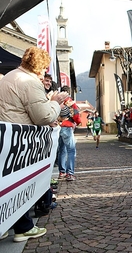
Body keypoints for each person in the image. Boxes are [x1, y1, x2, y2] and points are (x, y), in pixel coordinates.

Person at [0, 46, 68, 242]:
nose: (44, 72)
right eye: (44, 67)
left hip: (8, 135)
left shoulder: (9, 76)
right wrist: (55, 102)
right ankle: (23, 227)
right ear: (39, 66)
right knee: (20, 183)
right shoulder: (29, 82)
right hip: (21, 140)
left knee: (7, 182)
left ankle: (5, 225)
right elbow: (42, 115)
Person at [57, 85, 81, 181]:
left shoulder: (55, 100)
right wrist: (77, 123)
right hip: (67, 127)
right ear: (68, 93)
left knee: (61, 150)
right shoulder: (70, 101)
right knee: (71, 150)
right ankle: (69, 173)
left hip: (58, 127)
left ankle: (61, 172)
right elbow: (76, 115)